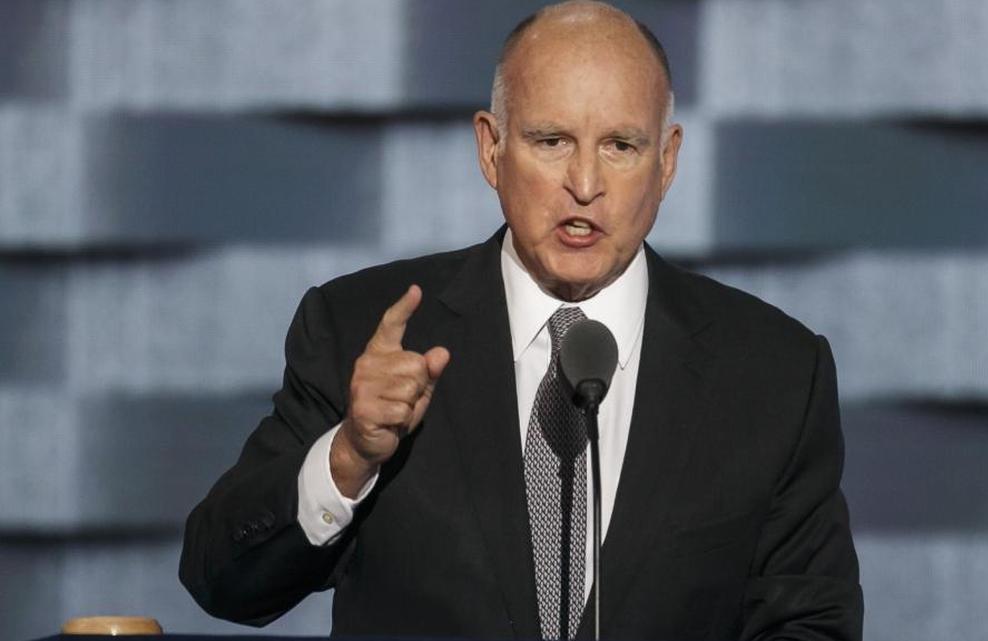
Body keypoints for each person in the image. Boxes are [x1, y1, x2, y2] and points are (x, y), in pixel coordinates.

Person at [179, 2, 863, 639]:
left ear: (667, 161)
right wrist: (349, 455)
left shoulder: (773, 372)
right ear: (491, 148)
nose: (585, 185)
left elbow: (812, 623)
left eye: (621, 146)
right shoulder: (361, 328)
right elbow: (221, 579)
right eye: (552, 140)